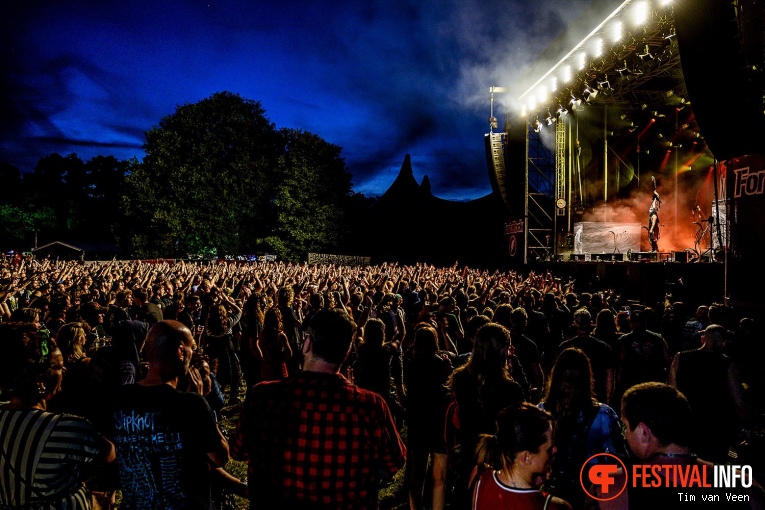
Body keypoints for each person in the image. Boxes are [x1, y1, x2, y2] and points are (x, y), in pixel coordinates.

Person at [231, 308, 406, 509]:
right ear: (347, 352)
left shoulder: (262, 397)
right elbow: (394, 462)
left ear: (306, 344)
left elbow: (237, 451)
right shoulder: (370, 407)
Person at [108, 320, 230, 510]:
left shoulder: (120, 398)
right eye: (191, 348)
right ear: (180, 352)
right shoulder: (190, 404)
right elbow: (220, 456)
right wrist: (201, 403)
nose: (193, 354)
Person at [588, 382, 765, 509]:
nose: (625, 434)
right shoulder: (741, 483)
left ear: (644, 432)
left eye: (626, 426)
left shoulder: (613, 486)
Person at [0, 322, 116, 509]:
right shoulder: (65, 428)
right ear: (41, 380)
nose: (64, 371)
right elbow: (109, 454)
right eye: (59, 367)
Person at [448, 323, 526, 509]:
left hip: (469, 451)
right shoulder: (510, 389)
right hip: (499, 458)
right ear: (502, 351)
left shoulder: (461, 378)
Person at [538, 348, 626, 510]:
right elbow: (615, 462)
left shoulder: (540, 413)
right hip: (592, 495)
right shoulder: (604, 415)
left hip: (550, 496)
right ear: (587, 379)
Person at [669, 324, 749, 464]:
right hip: (716, 427)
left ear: (703, 338)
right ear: (722, 341)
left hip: (688, 423)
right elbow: (737, 399)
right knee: (714, 468)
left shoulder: (680, 358)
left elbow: (672, 393)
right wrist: (743, 424)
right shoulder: (726, 363)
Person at [471, 403, 572, 510]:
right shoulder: (554, 506)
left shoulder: (480, 477)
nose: (555, 450)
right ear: (526, 457)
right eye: (549, 449)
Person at [403, 323, 454, 510]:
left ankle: (414, 506)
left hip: (417, 417)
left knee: (417, 469)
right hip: (436, 418)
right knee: (438, 472)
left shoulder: (411, 364)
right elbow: (446, 386)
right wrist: (449, 370)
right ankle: (436, 504)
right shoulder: (438, 362)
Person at [647, 180, 660, 252]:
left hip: (654, 228)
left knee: (653, 238)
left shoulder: (654, 214)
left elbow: (654, 222)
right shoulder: (652, 213)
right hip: (652, 227)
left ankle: (655, 249)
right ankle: (653, 249)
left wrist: (651, 229)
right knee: (651, 238)